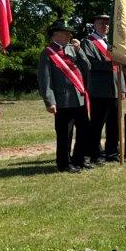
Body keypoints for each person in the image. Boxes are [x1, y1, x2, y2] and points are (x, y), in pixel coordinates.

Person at [38, 19, 91, 173]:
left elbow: (87, 67)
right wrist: (49, 101)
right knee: (64, 134)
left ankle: (79, 159)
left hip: (79, 98)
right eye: (65, 33)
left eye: (69, 33)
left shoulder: (72, 49)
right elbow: (45, 80)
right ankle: (64, 163)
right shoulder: (47, 53)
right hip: (62, 101)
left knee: (83, 130)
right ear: (55, 34)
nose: (69, 35)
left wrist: (79, 50)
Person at [78, 13, 120, 165]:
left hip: (114, 88)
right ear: (94, 25)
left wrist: (122, 89)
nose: (105, 26)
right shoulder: (87, 42)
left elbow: (119, 67)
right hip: (98, 89)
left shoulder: (112, 43)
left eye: (107, 23)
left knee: (113, 124)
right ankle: (95, 153)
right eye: (101, 23)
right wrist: (111, 64)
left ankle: (112, 152)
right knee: (97, 124)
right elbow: (90, 64)